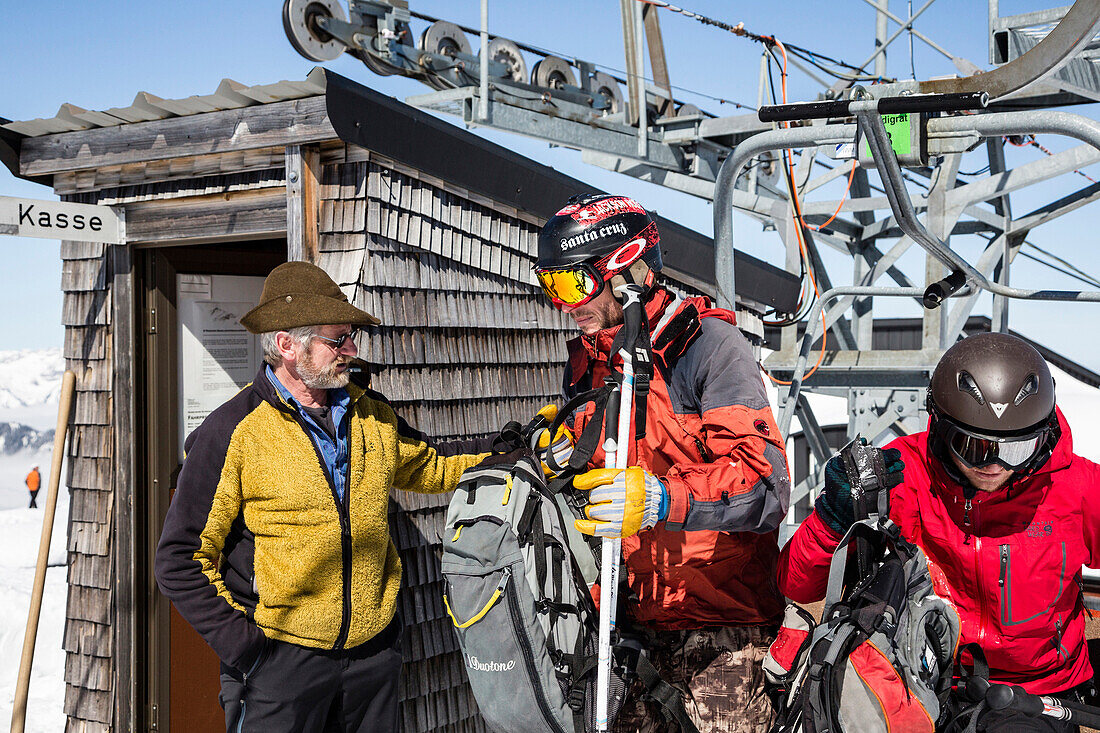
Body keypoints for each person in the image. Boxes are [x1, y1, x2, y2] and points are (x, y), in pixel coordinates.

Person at [154, 261, 488, 732]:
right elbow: (180, 558)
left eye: (351, 337)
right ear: (288, 345)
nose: (351, 350)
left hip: (372, 657)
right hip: (279, 665)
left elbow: (434, 463)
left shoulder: (371, 413)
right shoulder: (233, 431)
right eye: (338, 340)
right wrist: (250, 651)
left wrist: (519, 451)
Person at [534, 193, 792, 732]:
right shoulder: (590, 361)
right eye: (551, 285)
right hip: (629, 622)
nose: (566, 304)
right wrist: (561, 456)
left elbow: (765, 485)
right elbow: (600, 472)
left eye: (575, 283)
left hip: (722, 629)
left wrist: (661, 499)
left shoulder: (706, 348)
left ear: (627, 269)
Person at [778, 332, 1100, 732]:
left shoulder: (1075, 488)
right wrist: (832, 518)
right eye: (973, 446)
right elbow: (796, 584)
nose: (994, 465)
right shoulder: (903, 478)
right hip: (916, 681)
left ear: (1044, 435)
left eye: (1015, 449)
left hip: (1035, 693)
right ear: (942, 427)